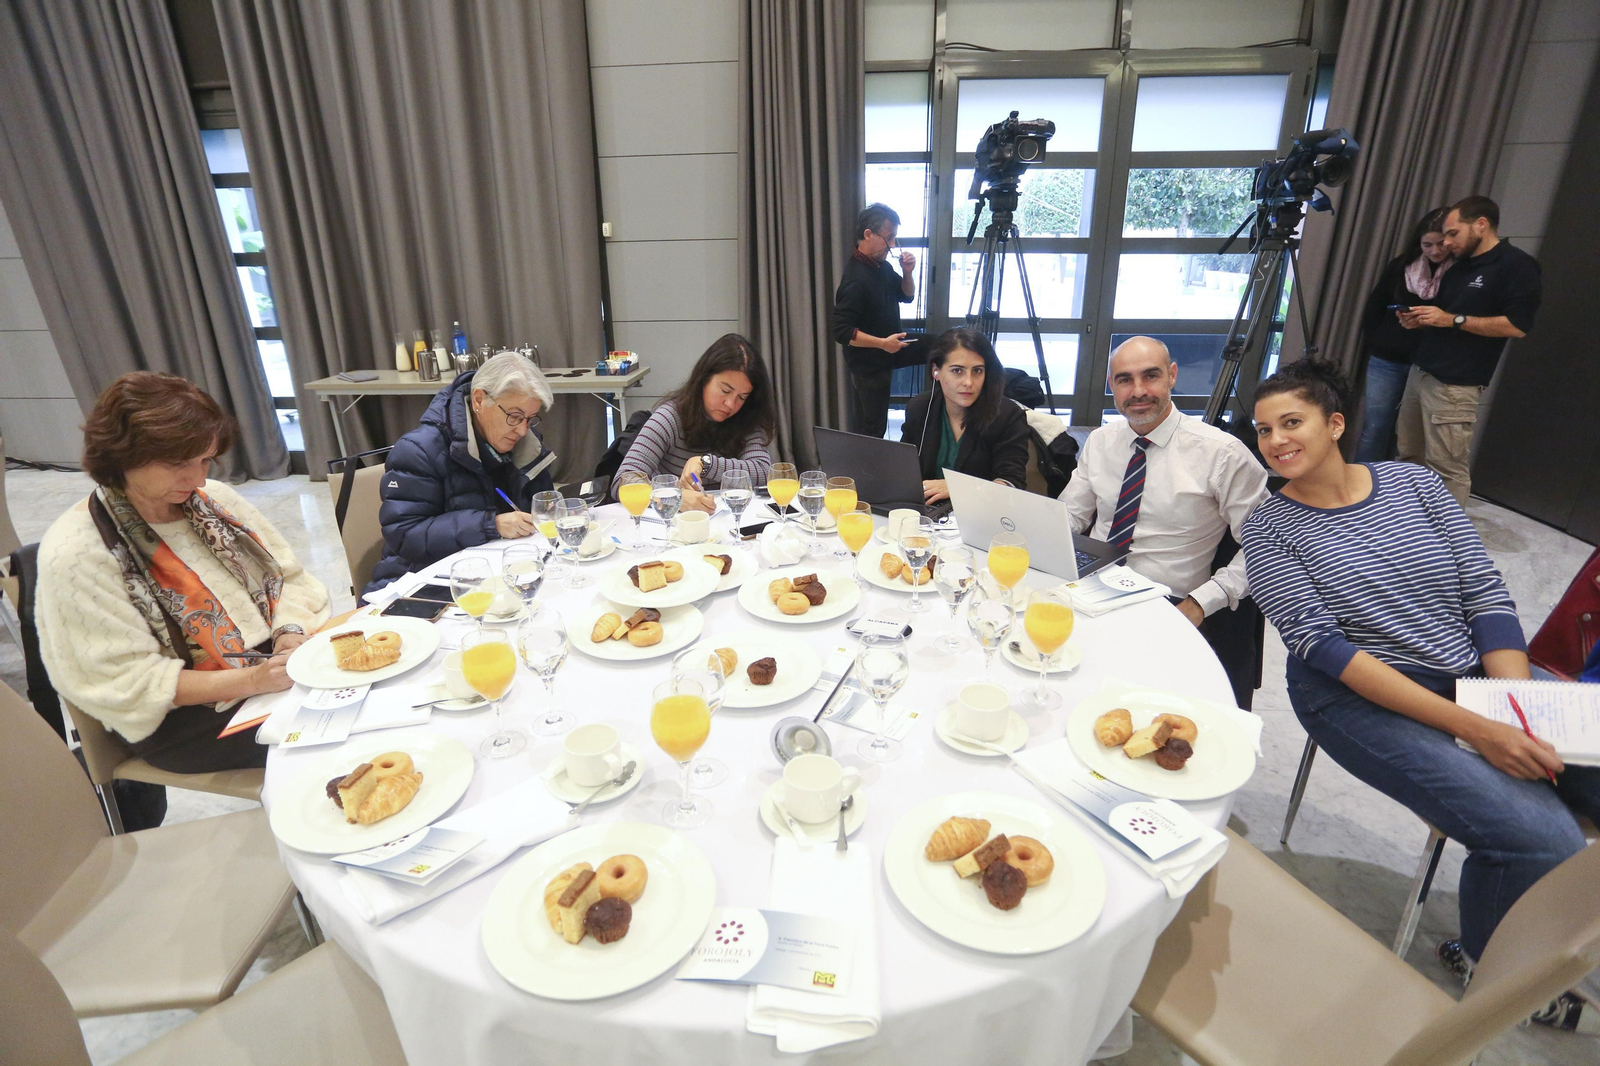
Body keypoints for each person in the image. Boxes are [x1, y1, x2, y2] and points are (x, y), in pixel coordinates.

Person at [1242, 359, 1599, 1033]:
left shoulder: (1413, 482)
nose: (1276, 441)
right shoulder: (1269, 529)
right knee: (1542, 837)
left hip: (1473, 671)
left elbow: (1483, 589)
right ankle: (1484, 958)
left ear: (1336, 423)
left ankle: (1562, 918)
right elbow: (1328, 651)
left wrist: (1513, 706)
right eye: (1264, 430)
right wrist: (1480, 728)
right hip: (1355, 698)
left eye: (1292, 422)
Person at [35, 372, 330, 773]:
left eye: (205, 459)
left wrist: (289, 634)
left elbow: (287, 581)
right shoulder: (78, 552)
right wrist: (254, 682)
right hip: (191, 719)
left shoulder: (214, 502)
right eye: (177, 463)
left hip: (268, 672)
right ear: (120, 456)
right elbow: (131, 682)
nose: (199, 479)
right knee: (344, 731)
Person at [1060, 336, 1268, 707]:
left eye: (1150, 376)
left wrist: (1202, 602)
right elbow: (1071, 515)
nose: (1138, 391)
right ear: (1112, 386)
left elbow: (1265, 549)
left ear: (1172, 376)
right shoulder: (1101, 441)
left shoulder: (1221, 455)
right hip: (1092, 588)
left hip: (1167, 604)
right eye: (1125, 380)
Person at [1396, 195, 1542, 502]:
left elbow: (1517, 325)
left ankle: (1450, 542)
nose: (1446, 242)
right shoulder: (1459, 267)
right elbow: (1449, 319)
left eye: (1453, 233)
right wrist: (1423, 320)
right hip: (1421, 372)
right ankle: (1408, 525)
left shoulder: (1517, 266)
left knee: (1447, 469)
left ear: (1481, 225)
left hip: (1455, 385)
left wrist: (1451, 319)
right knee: (1409, 456)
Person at [370, 352, 556, 593]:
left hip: (495, 574)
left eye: (530, 419)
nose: (522, 430)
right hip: (421, 581)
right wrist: (491, 524)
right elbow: (405, 535)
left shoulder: (526, 444)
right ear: (479, 400)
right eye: (514, 416)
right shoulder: (419, 450)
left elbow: (541, 508)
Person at [610, 333, 776, 514]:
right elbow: (623, 481)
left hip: (727, 523)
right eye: (725, 391)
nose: (731, 404)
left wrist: (706, 464)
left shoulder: (746, 417)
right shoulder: (670, 417)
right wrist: (672, 498)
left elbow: (763, 472)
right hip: (674, 528)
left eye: (742, 397)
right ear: (703, 380)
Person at [1354, 206, 1452, 462]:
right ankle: (1360, 486)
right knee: (1375, 427)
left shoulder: (1460, 273)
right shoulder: (1402, 266)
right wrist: (1376, 340)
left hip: (1426, 364)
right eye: (1427, 244)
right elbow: (1374, 306)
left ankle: (1397, 491)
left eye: (1441, 244)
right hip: (1386, 359)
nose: (1435, 251)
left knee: (1410, 436)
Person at [900, 327, 1029, 504]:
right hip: (928, 514)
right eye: (957, 371)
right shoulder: (920, 407)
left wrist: (956, 487)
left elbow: (1011, 484)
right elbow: (903, 469)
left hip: (982, 514)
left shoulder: (1008, 415)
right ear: (936, 372)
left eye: (977, 371)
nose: (968, 382)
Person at [831, 202, 926, 438]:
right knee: (873, 428)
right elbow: (842, 331)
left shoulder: (880, 267)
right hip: (869, 362)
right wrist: (883, 343)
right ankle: (864, 472)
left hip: (893, 345)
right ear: (868, 234)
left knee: (942, 345)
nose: (893, 245)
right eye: (889, 238)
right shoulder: (855, 278)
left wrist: (907, 272)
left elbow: (906, 295)